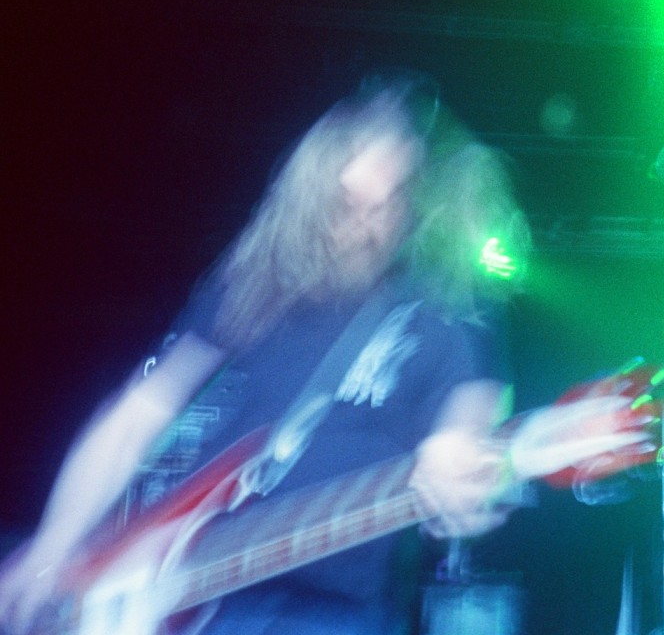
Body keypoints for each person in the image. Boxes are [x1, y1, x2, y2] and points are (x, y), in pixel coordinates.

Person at [0, 78, 516, 635]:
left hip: (325, 613)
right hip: (173, 588)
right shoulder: (254, 284)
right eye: (344, 203)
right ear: (311, 188)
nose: (361, 226)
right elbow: (134, 418)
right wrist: (52, 550)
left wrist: (474, 472)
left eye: (385, 205)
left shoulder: (446, 315)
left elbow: (473, 425)